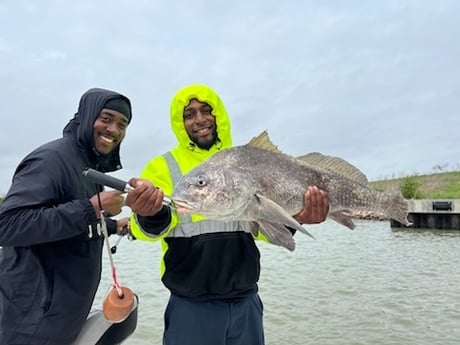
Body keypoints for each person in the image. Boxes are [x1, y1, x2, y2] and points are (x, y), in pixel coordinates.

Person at [125, 84, 329, 345]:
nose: (199, 119)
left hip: (247, 304)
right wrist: (148, 213)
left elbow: (264, 231)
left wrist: (297, 218)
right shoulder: (163, 166)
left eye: (206, 110)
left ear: (218, 114)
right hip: (191, 308)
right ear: (179, 122)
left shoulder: (247, 160)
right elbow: (145, 231)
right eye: (189, 114)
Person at [0, 88, 133, 345]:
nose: (114, 130)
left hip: (58, 320)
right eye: (106, 119)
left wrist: (114, 226)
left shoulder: (86, 165)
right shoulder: (52, 159)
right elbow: (8, 225)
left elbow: (71, 225)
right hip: (28, 323)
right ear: (86, 116)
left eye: (122, 124)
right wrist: (90, 207)